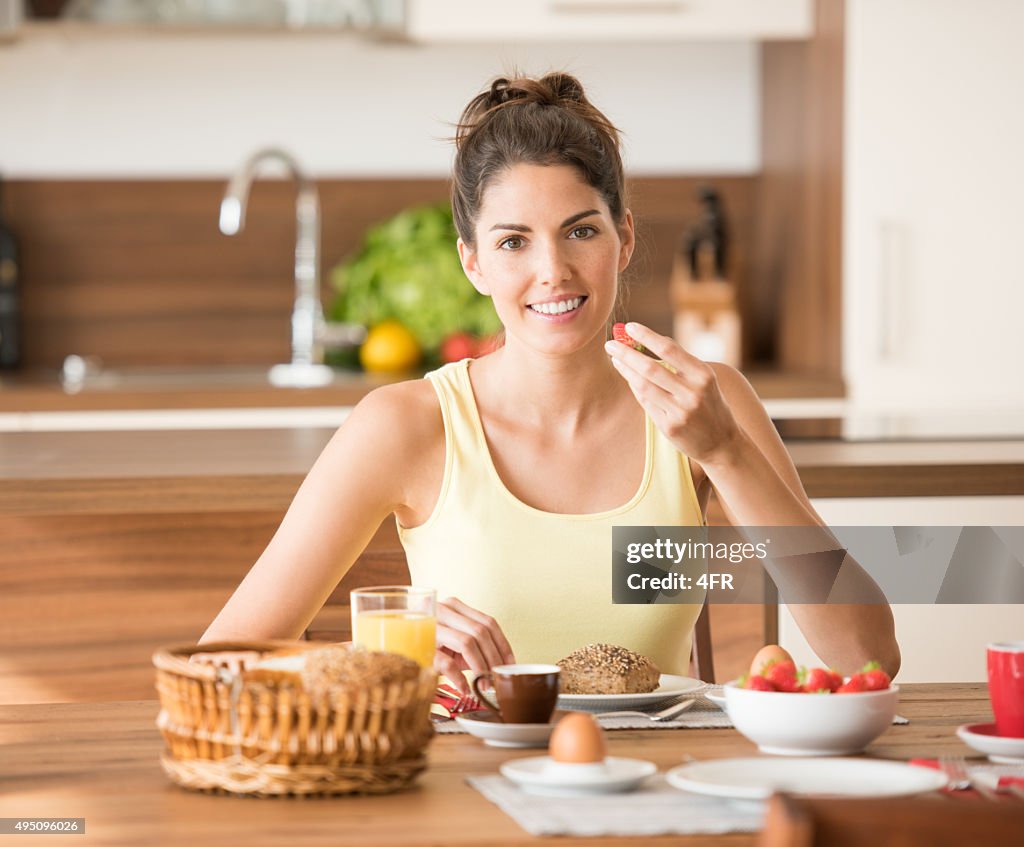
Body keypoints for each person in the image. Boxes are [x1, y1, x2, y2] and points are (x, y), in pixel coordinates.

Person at [200, 72, 900, 690]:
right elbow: (216, 661)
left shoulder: (702, 400)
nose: (553, 272)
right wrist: (391, 649)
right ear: (472, 263)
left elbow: (869, 653)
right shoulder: (407, 424)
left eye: (580, 231)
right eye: (513, 241)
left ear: (624, 237)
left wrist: (726, 451)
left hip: (654, 807)